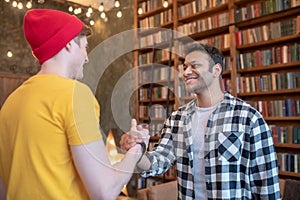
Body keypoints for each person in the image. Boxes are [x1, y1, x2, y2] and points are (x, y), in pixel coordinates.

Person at [0, 9, 145, 200]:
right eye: (85, 47)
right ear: (68, 44)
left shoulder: (11, 102)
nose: (86, 57)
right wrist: (137, 149)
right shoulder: (75, 95)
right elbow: (105, 191)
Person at [120, 43, 281, 199]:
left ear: (216, 70)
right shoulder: (177, 119)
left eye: (194, 65)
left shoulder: (248, 118)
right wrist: (137, 150)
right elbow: (159, 160)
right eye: (184, 67)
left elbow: (266, 184)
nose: (186, 72)